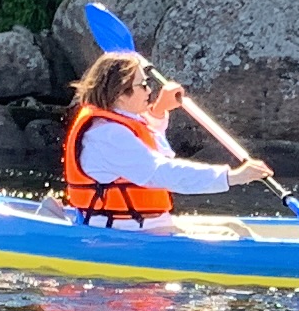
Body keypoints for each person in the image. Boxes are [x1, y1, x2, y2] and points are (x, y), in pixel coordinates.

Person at [60, 52, 268, 228]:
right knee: (233, 236)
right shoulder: (108, 136)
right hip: (124, 233)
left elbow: (152, 146)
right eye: (142, 85)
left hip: (144, 225)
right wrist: (231, 177)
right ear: (120, 94)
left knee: (235, 228)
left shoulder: (121, 124)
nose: (149, 90)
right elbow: (162, 172)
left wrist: (159, 111)